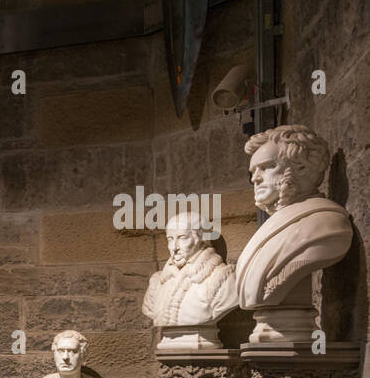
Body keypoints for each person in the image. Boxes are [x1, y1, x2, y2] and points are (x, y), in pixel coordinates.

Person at [235, 125, 352, 342]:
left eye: (266, 167)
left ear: (301, 168)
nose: (255, 179)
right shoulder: (272, 227)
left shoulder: (326, 223)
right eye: (253, 172)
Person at [141, 211, 237, 347]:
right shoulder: (157, 282)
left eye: (182, 238)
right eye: (170, 239)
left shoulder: (222, 277)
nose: (174, 247)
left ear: (201, 240)